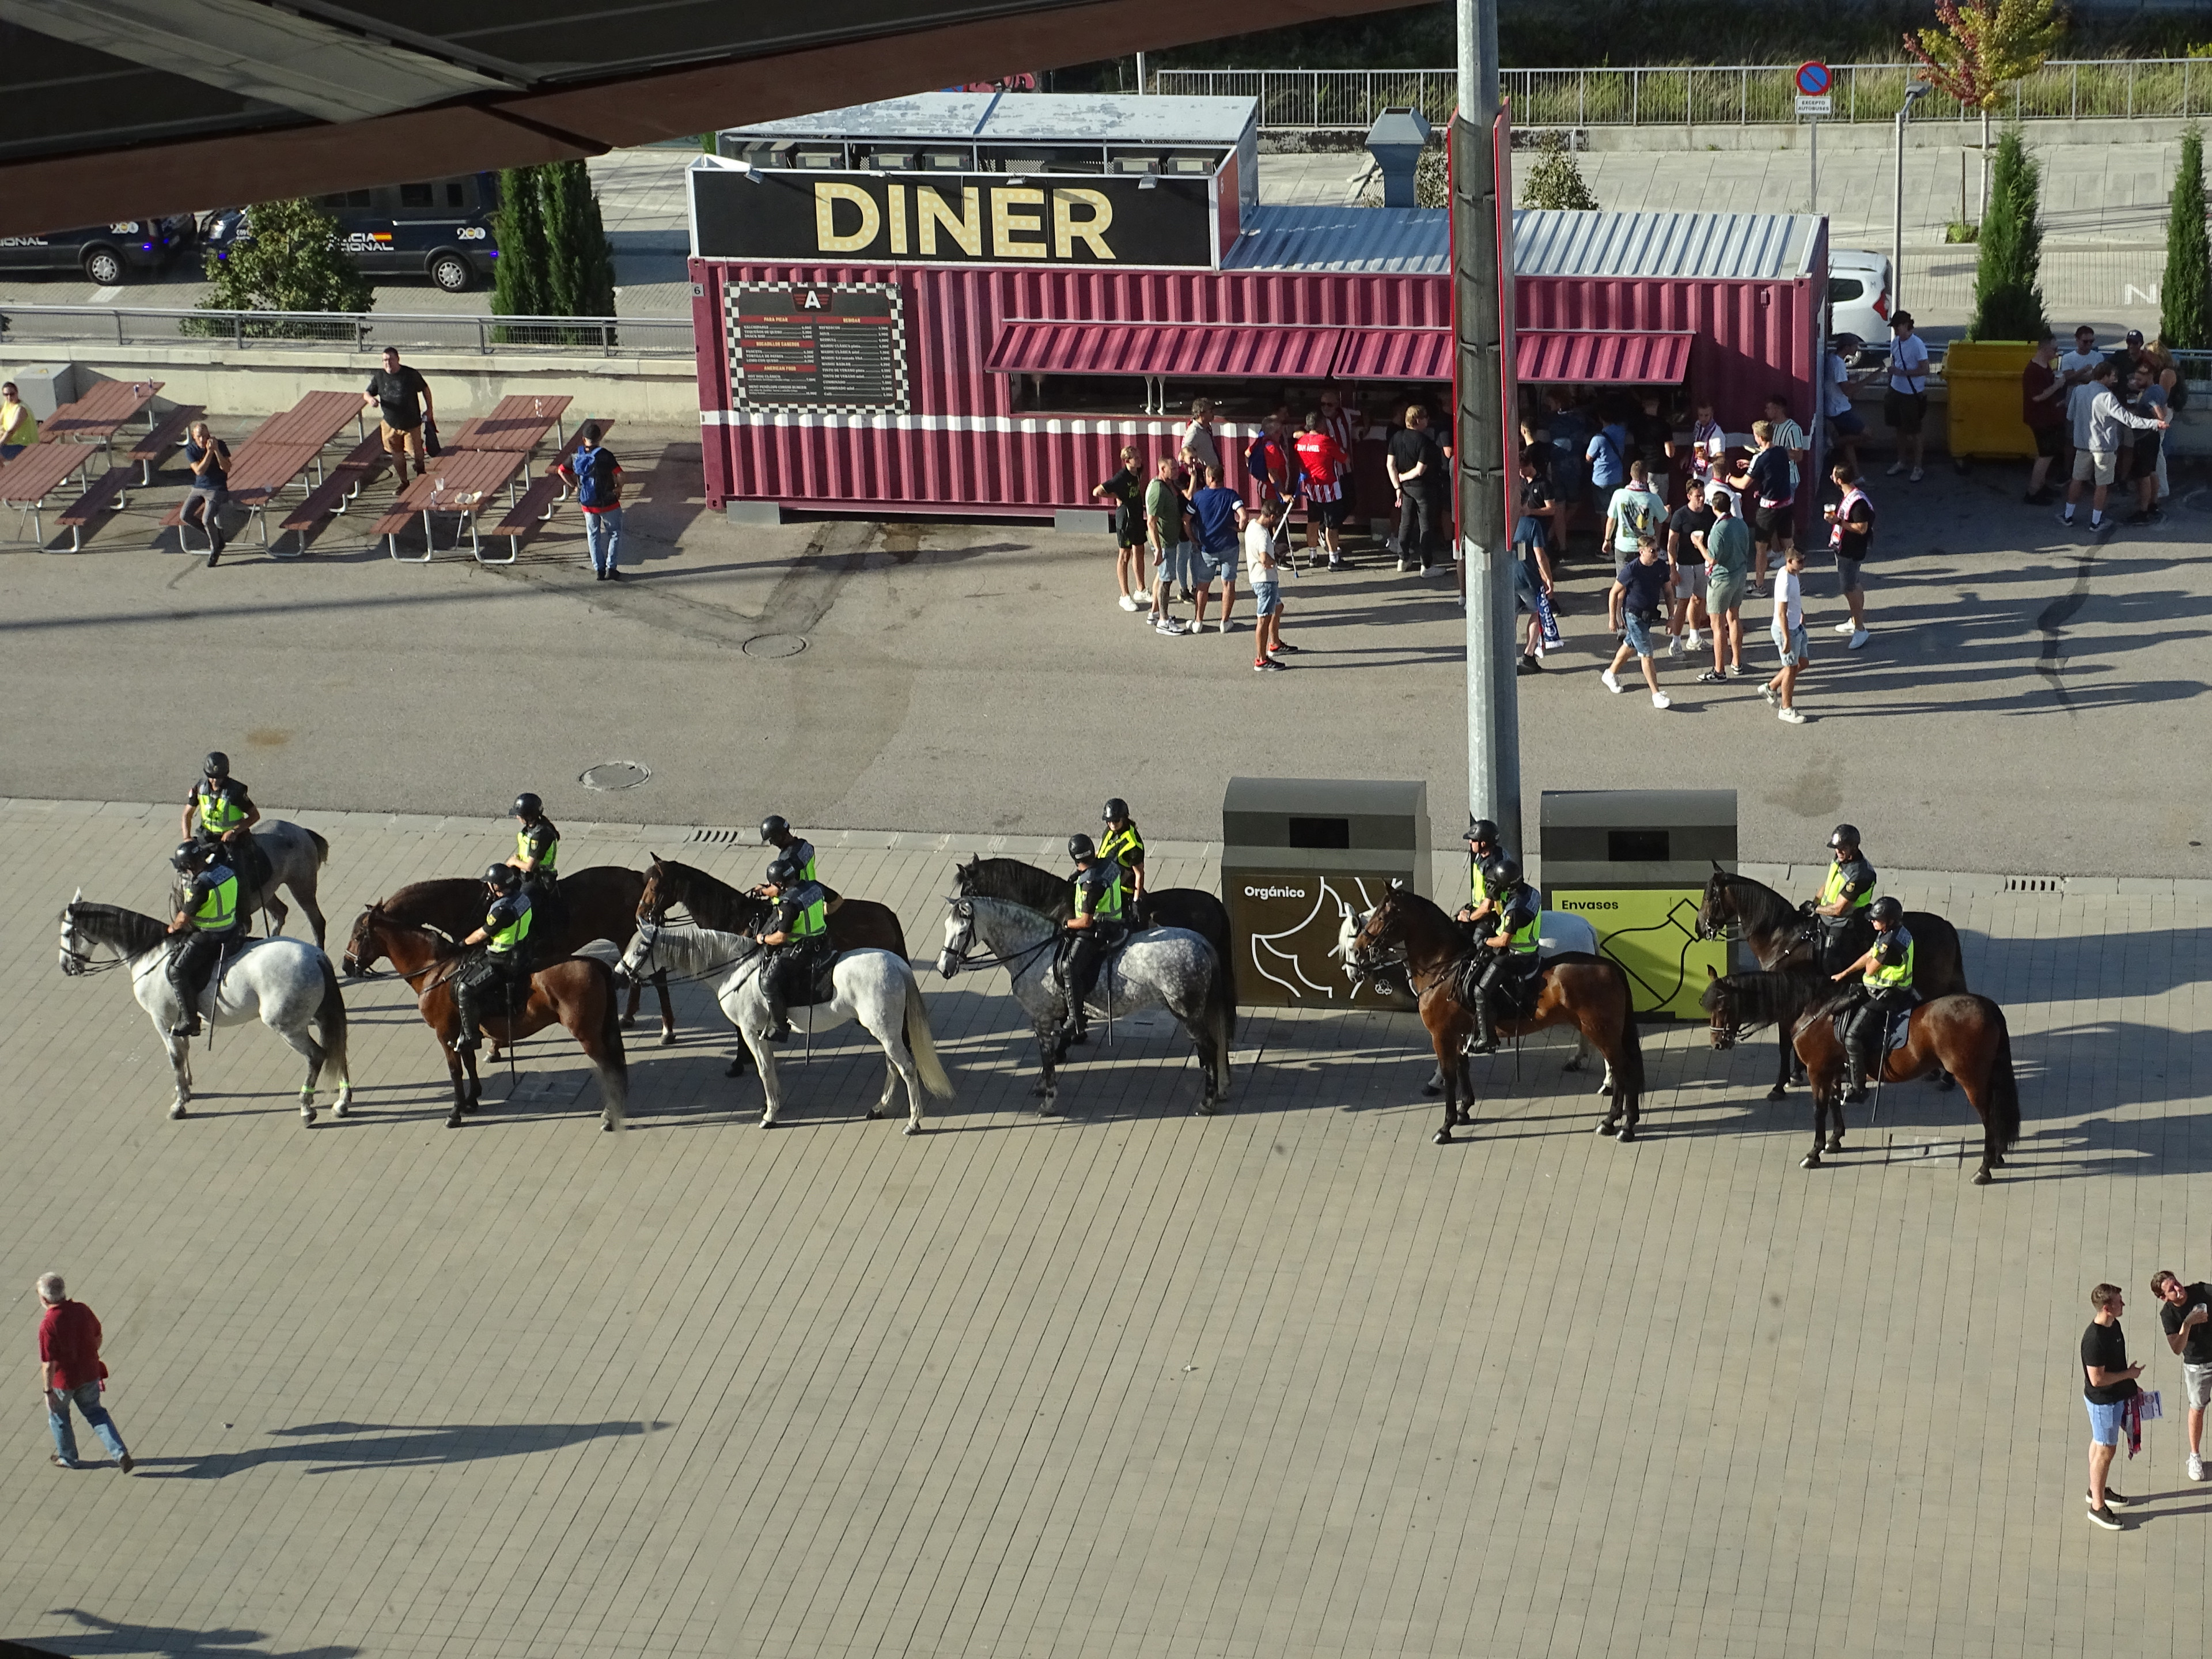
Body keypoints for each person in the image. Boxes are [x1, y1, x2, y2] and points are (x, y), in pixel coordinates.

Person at [37, 1274, 132, 1472]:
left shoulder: (48, 1324)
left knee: (59, 1417)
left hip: (63, 1382)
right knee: (96, 1413)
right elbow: (98, 1337)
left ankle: (68, 1457)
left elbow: (48, 1364)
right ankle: (120, 1453)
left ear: (44, 1299)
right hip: (89, 1374)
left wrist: (48, 1391)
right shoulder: (82, 1310)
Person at [2063, 359, 2169, 531]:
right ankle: (2095, 522)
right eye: (2113, 376)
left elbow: (2070, 416)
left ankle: (2068, 515)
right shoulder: (2107, 397)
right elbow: (2128, 420)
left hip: (2083, 445)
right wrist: (2154, 424)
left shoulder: (2078, 391)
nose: (2115, 380)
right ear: (2104, 376)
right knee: (2102, 485)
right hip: (2104, 448)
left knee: (2077, 480)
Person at [1830, 895, 1914, 1102]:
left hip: (1889, 994)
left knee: (1853, 1037)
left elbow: (1870, 968)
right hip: (1879, 987)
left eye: (1877, 919)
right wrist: (1845, 973)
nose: (1872, 921)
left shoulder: (1890, 943)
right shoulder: (1891, 932)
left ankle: (1859, 1088)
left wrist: (1870, 960)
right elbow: (1870, 954)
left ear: (1890, 921)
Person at [450, 864, 533, 1054]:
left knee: (465, 989)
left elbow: (482, 934)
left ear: (496, 886)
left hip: (503, 959)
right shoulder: (522, 898)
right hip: (522, 949)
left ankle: (471, 1037)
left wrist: (462, 943)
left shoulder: (502, 910)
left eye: (490, 883)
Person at [164, 839, 241, 1040]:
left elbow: (183, 919)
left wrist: (172, 928)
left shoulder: (200, 885)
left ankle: (190, 1021)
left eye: (183, 869)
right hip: (233, 928)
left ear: (189, 866)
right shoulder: (225, 871)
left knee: (176, 971)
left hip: (211, 935)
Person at [1464, 854, 1541, 1055]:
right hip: (1523, 948)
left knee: (1481, 991)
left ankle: (1488, 1039)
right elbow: (1502, 914)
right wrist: (1497, 898)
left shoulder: (1516, 910)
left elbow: (1503, 941)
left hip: (1518, 956)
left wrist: (1485, 942)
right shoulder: (1530, 892)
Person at [2082, 1283, 2143, 1529]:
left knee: (2100, 1443)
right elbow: (2097, 1380)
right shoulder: (2094, 1340)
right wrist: (2129, 1375)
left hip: (2114, 1398)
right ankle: (2097, 1508)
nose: (2123, 1304)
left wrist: (2130, 1385)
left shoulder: (2114, 1326)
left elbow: (2117, 1365)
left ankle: (2095, 1490)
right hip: (2103, 1403)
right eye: (2119, 1302)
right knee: (2106, 1451)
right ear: (2107, 1308)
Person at [1056, 833, 1126, 1046]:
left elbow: (1085, 922)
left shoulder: (1090, 884)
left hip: (1101, 927)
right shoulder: (1107, 863)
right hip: (1118, 917)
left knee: (1069, 967)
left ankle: (1076, 1020)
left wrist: (1067, 924)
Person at [755, 853, 831, 1043]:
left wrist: (763, 938)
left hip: (802, 949)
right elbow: (836, 902)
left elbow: (781, 937)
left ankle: (780, 1027)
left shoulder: (788, 904)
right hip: (824, 941)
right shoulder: (814, 886)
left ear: (780, 884)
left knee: (768, 983)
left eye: (772, 885)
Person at [1600, 536, 1673, 711]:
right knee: (1646, 654)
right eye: (1652, 551)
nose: (1656, 554)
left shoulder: (1661, 567)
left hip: (1649, 616)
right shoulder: (1632, 570)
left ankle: (1610, 674)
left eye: (1657, 550)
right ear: (1642, 552)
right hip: (1633, 616)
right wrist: (1613, 618)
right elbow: (1614, 593)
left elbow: (1669, 591)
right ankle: (1656, 694)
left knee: (1630, 645)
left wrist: (1672, 617)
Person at [2153, 1270, 2212, 1482]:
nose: (2179, 1289)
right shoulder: (2168, 1315)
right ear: (2163, 1298)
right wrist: (2187, 1323)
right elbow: (2177, 1348)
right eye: (2172, 1290)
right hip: (2197, 1365)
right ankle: (2195, 1456)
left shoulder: (2202, 1291)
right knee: (2197, 1407)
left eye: (2177, 1283)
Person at [1602, 461, 1666, 634]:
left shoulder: (1619, 495)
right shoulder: (1652, 498)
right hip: (1646, 548)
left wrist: (1607, 540)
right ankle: (1642, 616)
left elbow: (1611, 520)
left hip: (1623, 547)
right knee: (1645, 584)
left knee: (1622, 585)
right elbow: (1663, 518)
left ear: (1631, 475)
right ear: (1646, 477)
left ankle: (1620, 622)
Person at [1732, 420, 1795, 594]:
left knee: (1761, 548)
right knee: (1789, 544)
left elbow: (1743, 484)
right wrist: (1751, 464)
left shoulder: (1759, 459)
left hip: (1768, 508)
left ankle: (1759, 586)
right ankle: (1797, 582)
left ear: (1759, 437)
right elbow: (1770, 468)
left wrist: (1728, 478)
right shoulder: (1781, 451)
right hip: (1786, 504)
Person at [555, 424, 624, 580]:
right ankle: (611, 568)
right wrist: (619, 487)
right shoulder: (606, 455)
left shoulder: (576, 456)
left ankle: (599, 569)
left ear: (583, 439)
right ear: (599, 438)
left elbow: (561, 470)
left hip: (587, 504)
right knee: (614, 533)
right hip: (608, 503)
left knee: (593, 535)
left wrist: (575, 486)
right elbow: (620, 474)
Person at [1695, 488, 1750, 684]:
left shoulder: (1719, 529)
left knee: (1717, 625)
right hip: (1739, 575)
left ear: (1714, 508)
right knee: (1734, 618)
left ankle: (1719, 671)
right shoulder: (1741, 523)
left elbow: (1712, 559)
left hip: (1721, 579)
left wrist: (1699, 544)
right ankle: (1737, 662)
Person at [1512, 446, 1558, 675]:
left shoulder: (1505, 525)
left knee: (1510, 614)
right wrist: (1548, 579)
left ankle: (1505, 654)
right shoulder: (1531, 526)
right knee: (1539, 611)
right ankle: (1529, 654)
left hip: (1508, 574)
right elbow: (1540, 555)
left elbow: (1552, 509)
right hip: (1527, 575)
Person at [1808, 824, 1876, 974]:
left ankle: (1840, 985)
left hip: (1843, 921)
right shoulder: (1842, 858)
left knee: (1829, 962)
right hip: (1826, 914)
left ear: (1854, 847)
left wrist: (1815, 909)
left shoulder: (1860, 874)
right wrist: (1815, 902)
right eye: (1836, 848)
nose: (1838, 851)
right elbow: (1828, 882)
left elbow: (1839, 909)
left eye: (1843, 847)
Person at [1387, 404, 1446, 574]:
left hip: (1406, 489)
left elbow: (1390, 465)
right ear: (1418, 420)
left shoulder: (1397, 437)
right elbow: (1420, 470)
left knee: (1405, 523)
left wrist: (1398, 486)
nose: (1428, 420)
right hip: (1424, 488)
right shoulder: (1425, 442)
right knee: (1426, 526)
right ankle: (1426, 565)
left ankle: (1402, 559)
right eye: (1425, 417)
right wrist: (1403, 477)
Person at [362, 346, 434, 483]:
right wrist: (370, 399)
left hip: (411, 423)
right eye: (385, 360)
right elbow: (367, 393)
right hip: (390, 424)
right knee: (397, 454)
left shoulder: (410, 374)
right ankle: (404, 482)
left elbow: (425, 389)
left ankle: (421, 473)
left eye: (391, 359)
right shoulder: (380, 377)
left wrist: (429, 409)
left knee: (416, 452)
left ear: (398, 359)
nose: (388, 363)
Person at [1823, 463, 1875, 650]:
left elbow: (1861, 528)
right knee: (1855, 584)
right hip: (1845, 547)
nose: (1831, 478)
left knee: (1849, 588)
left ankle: (1860, 630)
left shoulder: (1858, 502)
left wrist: (1838, 522)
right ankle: (1855, 620)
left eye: (1833, 475)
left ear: (1839, 480)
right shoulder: (1850, 495)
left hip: (1851, 550)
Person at [1293, 411, 1351, 570]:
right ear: (1320, 424)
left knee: (1313, 521)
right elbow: (1345, 459)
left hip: (1311, 487)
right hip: (1329, 487)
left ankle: (1313, 557)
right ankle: (1334, 559)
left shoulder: (1301, 442)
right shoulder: (1326, 441)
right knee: (1331, 525)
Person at [1092, 444, 1147, 611]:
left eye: (1139, 456)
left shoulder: (1139, 471)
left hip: (1137, 516)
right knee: (1125, 555)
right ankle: (1125, 596)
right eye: (1136, 458)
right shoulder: (1121, 477)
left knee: (1140, 550)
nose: (1140, 460)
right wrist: (1117, 495)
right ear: (1127, 461)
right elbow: (1097, 492)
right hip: (1126, 519)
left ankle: (1141, 590)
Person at [1189, 464, 1243, 633]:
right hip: (1229, 546)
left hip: (1207, 548)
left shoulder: (1198, 497)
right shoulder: (1231, 495)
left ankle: (1198, 621)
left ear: (1211, 478)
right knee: (1228, 584)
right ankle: (1225, 622)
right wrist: (1239, 528)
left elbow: (1186, 519)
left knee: (1202, 586)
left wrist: (1193, 538)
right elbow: (1244, 515)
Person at [1760, 546, 1810, 725]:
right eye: (1800, 561)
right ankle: (1786, 708)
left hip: (1797, 627)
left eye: (1804, 560)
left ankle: (1771, 687)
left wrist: (1800, 612)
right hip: (1787, 631)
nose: (1803, 564)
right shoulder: (1785, 581)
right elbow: (1782, 613)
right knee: (1790, 669)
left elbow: (1794, 601)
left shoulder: (1793, 574)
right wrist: (1787, 638)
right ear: (1789, 561)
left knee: (1802, 663)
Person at [1143, 456, 1192, 636]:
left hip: (1169, 541)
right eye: (1173, 469)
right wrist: (1158, 550)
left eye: (1177, 468)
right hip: (1164, 544)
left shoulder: (1168, 485)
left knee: (1162, 577)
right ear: (1162, 469)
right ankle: (1163, 622)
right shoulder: (1157, 491)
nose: (1177, 471)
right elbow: (1151, 522)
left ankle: (1155, 613)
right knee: (1166, 581)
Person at [1665, 477, 1714, 658]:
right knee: (1683, 602)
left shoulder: (1709, 512)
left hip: (1703, 564)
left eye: (1703, 495)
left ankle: (1694, 637)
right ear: (1689, 496)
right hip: (1684, 565)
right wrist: (1673, 569)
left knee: (1699, 600)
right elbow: (1671, 545)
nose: (1701, 499)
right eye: (1698, 496)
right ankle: (1676, 642)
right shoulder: (1680, 516)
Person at [1243, 499, 1291, 671]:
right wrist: (1275, 561)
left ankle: (1275, 643)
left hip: (1259, 578)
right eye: (1276, 519)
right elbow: (1264, 559)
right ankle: (1261, 659)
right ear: (1271, 517)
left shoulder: (1252, 525)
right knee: (1264, 619)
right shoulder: (1263, 535)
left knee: (1278, 607)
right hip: (1265, 581)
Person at [2121, 359, 2169, 526]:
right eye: (2135, 379)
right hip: (2153, 436)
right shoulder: (2159, 389)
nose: (2136, 382)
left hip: (2144, 437)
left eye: (2140, 379)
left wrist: (2142, 413)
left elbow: (2160, 415)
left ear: (2150, 377)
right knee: (2152, 471)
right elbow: (2164, 410)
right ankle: (2153, 505)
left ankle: (2143, 511)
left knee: (2143, 476)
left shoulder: (2149, 395)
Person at [2021, 332, 2068, 505]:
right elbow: (2037, 397)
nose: (2057, 352)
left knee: (2046, 453)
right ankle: (2033, 491)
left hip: (2049, 417)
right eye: (2054, 349)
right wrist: (2057, 385)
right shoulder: (2034, 371)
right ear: (2044, 349)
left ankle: (2040, 485)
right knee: (2045, 455)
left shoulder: (2044, 366)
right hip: (2040, 420)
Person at [1883, 312, 1930, 482]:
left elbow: (1925, 369)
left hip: (1912, 393)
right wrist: (1892, 380)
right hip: (1896, 390)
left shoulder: (1917, 344)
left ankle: (1918, 467)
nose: (1896, 331)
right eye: (1894, 328)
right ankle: (1901, 462)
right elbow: (1895, 363)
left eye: (1897, 327)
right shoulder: (1895, 343)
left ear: (1905, 325)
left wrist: (1902, 373)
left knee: (1915, 431)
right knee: (1899, 428)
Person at [180, 419, 231, 563]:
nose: (203, 440)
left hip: (217, 488)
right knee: (185, 515)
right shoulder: (191, 450)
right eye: (199, 437)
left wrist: (217, 451)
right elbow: (199, 471)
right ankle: (217, 534)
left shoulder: (220, 445)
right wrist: (209, 453)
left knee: (207, 519)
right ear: (194, 437)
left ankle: (215, 549)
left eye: (205, 436)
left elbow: (227, 468)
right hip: (199, 487)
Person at [505, 792, 559, 905]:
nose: (517, 817)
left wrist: (514, 861)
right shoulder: (531, 828)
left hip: (537, 879)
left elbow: (530, 867)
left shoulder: (540, 835)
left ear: (529, 816)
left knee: (521, 904)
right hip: (524, 874)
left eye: (520, 815)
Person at [1098, 798, 1147, 919]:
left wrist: (1136, 901)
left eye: (1116, 820)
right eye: (1109, 821)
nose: (1112, 824)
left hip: (1123, 893)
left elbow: (1139, 874)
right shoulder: (1111, 831)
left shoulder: (1132, 845)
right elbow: (1102, 852)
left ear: (1124, 818)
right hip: (1106, 885)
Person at [1454, 818, 1504, 929]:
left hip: (1491, 915)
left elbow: (1487, 907)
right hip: (1478, 907)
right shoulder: (1483, 855)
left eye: (1473, 840)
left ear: (1483, 843)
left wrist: (1468, 917)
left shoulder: (1493, 868)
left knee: (1477, 938)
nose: (1470, 842)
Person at [1824, 338, 1863, 473]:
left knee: (1849, 443)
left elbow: (1837, 382)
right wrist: (1871, 378)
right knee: (1867, 434)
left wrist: (1850, 379)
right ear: (1847, 347)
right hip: (1839, 409)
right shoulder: (1838, 363)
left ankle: (1857, 476)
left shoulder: (1833, 358)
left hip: (1836, 406)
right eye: (1855, 346)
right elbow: (1847, 390)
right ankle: (1830, 443)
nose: (1857, 349)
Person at [757, 815, 819, 888]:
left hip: (799, 894)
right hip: (813, 890)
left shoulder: (787, 859)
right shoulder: (805, 845)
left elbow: (779, 887)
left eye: (772, 840)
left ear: (778, 837)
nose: (771, 843)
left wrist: (763, 890)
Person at [1176, 399, 1220, 482]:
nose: (1213, 413)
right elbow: (1183, 454)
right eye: (1210, 411)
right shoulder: (1194, 432)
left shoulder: (1205, 427)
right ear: (1201, 414)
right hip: (1207, 476)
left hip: (1214, 472)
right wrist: (1194, 469)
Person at [0, 380, 37, 460]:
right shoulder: (7, 404)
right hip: (12, 443)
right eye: (6, 395)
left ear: (17, 393)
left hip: (25, 445)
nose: (9, 397)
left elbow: (11, 431)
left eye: (12, 394)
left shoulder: (21, 409)